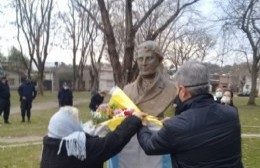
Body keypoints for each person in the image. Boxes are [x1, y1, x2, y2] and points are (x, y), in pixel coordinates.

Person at [137, 60, 243, 168]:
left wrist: (142, 124)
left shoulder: (176, 127)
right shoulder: (232, 114)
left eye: (177, 88)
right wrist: (175, 123)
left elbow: (150, 145)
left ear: (182, 91)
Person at [109, 41, 176, 168]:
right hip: (129, 147)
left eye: (149, 58)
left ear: (159, 60)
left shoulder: (171, 88)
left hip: (154, 145)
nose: (144, 63)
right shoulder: (127, 89)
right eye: (140, 59)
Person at [40, 106, 146, 168]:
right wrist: (134, 119)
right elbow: (111, 142)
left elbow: (87, 135)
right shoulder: (78, 147)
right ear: (70, 125)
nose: (79, 124)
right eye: (76, 121)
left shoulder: (50, 144)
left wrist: (100, 118)